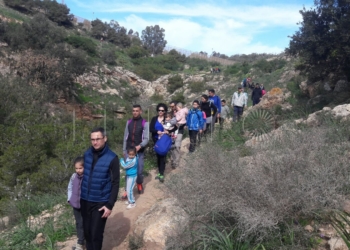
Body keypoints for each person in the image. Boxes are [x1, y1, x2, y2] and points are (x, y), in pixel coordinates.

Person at [80, 127, 120, 250]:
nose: (95, 142)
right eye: (92, 139)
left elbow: (115, 183)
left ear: (105, 138)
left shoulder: (112, 158)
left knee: (95, 234)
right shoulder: (87, 154)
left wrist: (110, 204)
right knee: (87, 233)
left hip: (100, 202)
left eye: (98, 139)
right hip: (85, 200)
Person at [122, 104, 149, 195]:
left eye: (137, 111)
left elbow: (146, 138)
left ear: (140, 111)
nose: (135, 112)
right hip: (128, 150)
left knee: (139, 170)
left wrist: (140, 146)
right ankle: (126, 189)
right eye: (133, 111)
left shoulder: (144, 123)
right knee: (128, 170)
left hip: (139, 151)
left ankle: (139, 183)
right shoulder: (128, 122)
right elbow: (125, 136)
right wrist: (123, 150)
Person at [67, 156, 85, 250]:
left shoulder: (87, 177)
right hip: (75, 204)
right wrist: (69, 198)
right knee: (78, 223)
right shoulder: (74, 176)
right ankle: (80, 241)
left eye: (80, 168)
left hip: (85, 205)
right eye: (76, 168)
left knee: (84, 223)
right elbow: (70, 187)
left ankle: (81, 242)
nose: (78, 170)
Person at [150, 103, 169, 183]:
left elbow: (172, 127)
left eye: (162, 110)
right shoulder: (154, 119)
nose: (160, 112)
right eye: (159, 110)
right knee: (158, 156)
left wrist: (168, 131)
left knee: (163, 157)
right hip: (156, 140)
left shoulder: (167, 119)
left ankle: (161, 173)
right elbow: (151, 129)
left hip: (164, 140)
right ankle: (160, 172)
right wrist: (157, 131)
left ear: (164, 111)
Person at [170, 102, 188, 168]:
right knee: (172, 146)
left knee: (177, 146)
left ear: (176, 106)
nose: (172, 108)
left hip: (180, 130)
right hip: (172, 132)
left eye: (173, 106)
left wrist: (185, 124)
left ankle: (175, 162)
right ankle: (172, 160)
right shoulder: (171, 113)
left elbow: (186, 117)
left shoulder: (181, 111)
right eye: (170, 106)